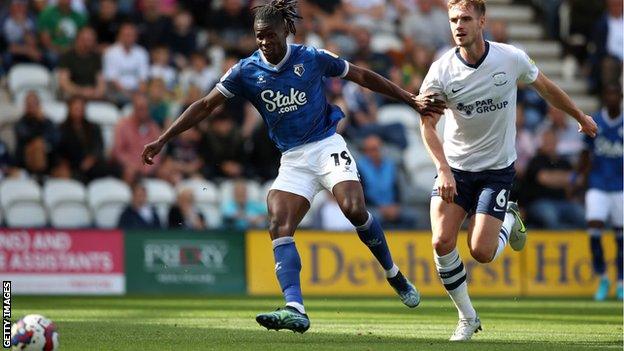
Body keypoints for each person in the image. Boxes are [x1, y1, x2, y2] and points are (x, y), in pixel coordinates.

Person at [143, 0, 443, 334]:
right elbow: (203, 105)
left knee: (354, 209)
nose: (264, 42)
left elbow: (361, 75)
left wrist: (410, 99)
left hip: (326, 144)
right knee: (277, 223)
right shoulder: (246, 71)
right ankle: (295, 307)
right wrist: (163, 138)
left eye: (270, 35)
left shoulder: (312, 58)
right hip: (293, 159)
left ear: (286, 30)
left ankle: (393, 274)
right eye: (259, 36)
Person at [417, 0, 597, 341]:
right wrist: (442, 169)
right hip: (456, 169)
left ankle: (510, 218)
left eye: (466, 18)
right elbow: (427, 126)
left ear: (482, 21)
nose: (459, 25)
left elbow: (545, 87)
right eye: (454, 19)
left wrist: (580, 116)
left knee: (481, 252)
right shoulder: (441, 71)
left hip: (496, 171)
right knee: (441, 241)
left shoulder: (509, 58)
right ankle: (467, 318)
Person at [575, 84, 623, 301]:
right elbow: (585, 154)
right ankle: (603, 277)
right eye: (608, 94)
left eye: (615, 94)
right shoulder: (596, 121)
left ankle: (621, 282)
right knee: (594, 227)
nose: (611, 98)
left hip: (620, 186)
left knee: (620, 235)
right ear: (604, 97)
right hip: (597, 184)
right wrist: (577, 180)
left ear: (620, 97)